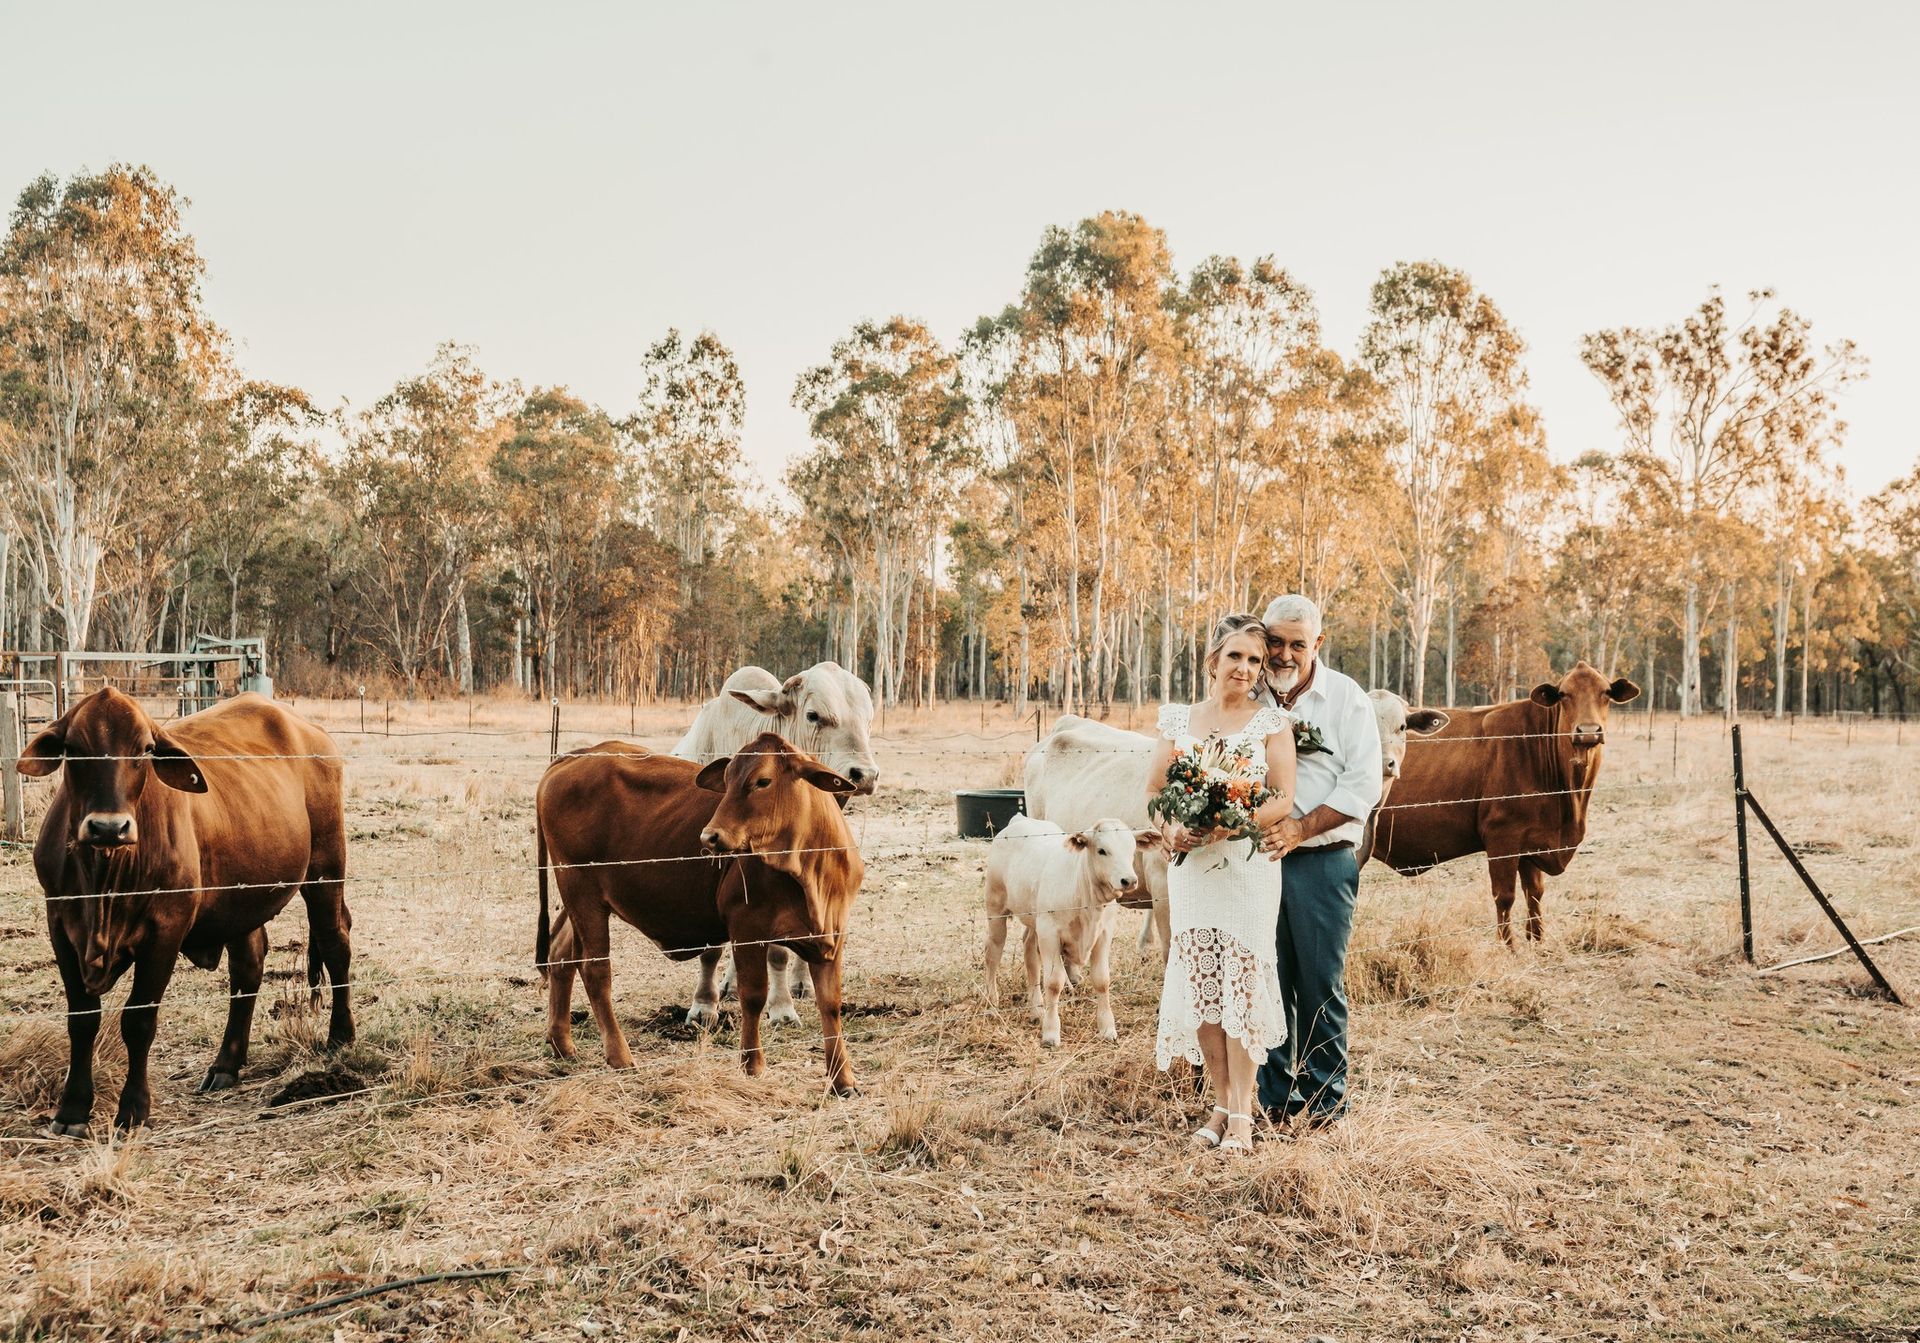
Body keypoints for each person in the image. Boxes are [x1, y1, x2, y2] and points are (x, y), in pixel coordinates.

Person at [1148, 614, 1297, 1155]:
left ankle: (1243, 1114)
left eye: (1255, 661)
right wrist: (1174, 827)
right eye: (1235, 656)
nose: (1245, 668)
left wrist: (1231, 822)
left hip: (1247, 871)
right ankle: (1219, 1101)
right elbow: (1153, 790)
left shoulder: (1271, 723)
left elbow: (1281, 796)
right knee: (1204, 986)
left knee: (1243, 984)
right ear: (1213, 661)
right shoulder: (1178, 720)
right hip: (1193, 874)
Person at [1253, 594, 1383, 1128]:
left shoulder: (1346, 699)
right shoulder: (1248, 691)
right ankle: (1273, 1098)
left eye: (1297, 645)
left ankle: (1327, 1101)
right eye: (1275, 642)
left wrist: (1302, 828)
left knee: (1320, 982)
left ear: (1318, 645)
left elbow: (1364, 782)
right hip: (1255, 863)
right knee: (1265, 980)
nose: (1284, 655)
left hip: (1322, 861)